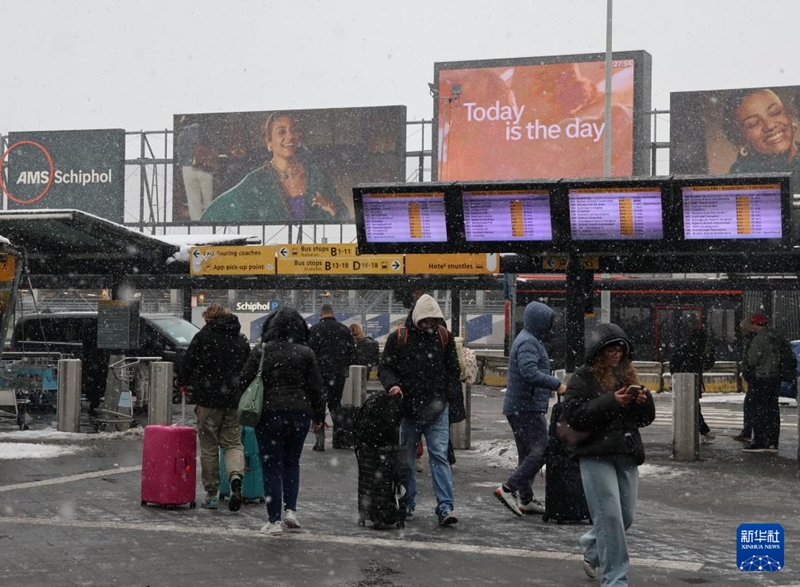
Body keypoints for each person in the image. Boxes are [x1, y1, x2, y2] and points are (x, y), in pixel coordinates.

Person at [561, 323, 655, 586]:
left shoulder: (628, 376)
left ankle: (591, 548)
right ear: (598, 352)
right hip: (595, 453)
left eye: (620, 350)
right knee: (609, 516)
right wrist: (611, 402)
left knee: (624, 516)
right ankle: (615, 579)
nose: (616, 354)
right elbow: (574, 417)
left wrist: (643, 402)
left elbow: (646, 418)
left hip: (625, 451)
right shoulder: (582, 377)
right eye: (611, 349)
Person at [239, 306, 325, 535]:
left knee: (271, 466)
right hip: (299, 414)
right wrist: (318, 417)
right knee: (291, 463)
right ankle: (291, 512)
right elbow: (317, 389)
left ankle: (274, 520)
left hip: (268, 414)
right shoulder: (306, 353)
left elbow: (244, 380)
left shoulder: (262, 351)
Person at [379, 294, 464, 527]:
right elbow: (386, 368)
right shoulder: (400, 338)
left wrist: (445, 399)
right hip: (412, 409)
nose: (428, 326)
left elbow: (452, 372)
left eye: (433, 321)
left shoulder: (441, 337)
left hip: (432, 409)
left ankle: (444, 507)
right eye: (424, 321)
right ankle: (408, 503)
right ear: (416, 319)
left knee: (431, 457)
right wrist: (392, 385)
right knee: (423, 459)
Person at [200, 111, 349, 223]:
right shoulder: (256, 181)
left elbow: (344, 218)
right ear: (269, 142)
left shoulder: (317, 175)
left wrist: (333, 211)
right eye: (281, 132)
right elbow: (214, 215)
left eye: (294, 130)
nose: (290, 136)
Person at [494, 301, 565, 517]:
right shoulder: (529, 343)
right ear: (539, 321)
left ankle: (525, 499)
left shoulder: (529, 339)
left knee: (526, 454)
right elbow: (529, 373)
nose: (551, 327)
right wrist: (557, 384)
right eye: (548, 322)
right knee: (542, 450)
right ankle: (508, 489)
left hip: (521, 406)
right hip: (526, 407)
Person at [177, 303, 250, 511]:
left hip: (208, 400)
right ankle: (236, 476)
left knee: (209, 445)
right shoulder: (240, 339)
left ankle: (212, 493)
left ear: (208, 318)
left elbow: (187, 363)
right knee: (233, 443)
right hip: (234, 401)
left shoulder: (203, 337)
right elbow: (248, 368)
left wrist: (183, 380)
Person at [723, 88, 800, 184]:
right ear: (740, 138)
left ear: (788, 114)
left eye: (775, 112)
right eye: (753, 124)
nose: (770, 126)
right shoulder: (742, 177)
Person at [307, 304, 356, 451]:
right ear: (332, 313)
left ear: (321, 314)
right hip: (338, 374)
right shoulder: (343, 330)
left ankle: (320, 441)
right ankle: (339, 439)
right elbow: (352, 354)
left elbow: (309, 354)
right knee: (335, 405)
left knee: (319, 405)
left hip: (319, 374)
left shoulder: (314, 330)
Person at [741, 313, 784, 452]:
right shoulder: (775, 336)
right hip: (775, 378)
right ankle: (772, 442)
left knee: (758, 410)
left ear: (754, 324)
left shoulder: (760, 339)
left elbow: (752, 360)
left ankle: (759, 441)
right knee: (772, 410)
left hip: (762, 378)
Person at [670, 327, 716, 442]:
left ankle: (697, 431)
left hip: (683, 382)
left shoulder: (684, 350)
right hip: (692, 382)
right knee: (694, 408)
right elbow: (707, 364)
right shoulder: (698, 352)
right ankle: (702, 431)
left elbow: (673, 365)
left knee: (689, 408)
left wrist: (677, 377)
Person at [175, 118, 218, 221]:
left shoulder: (182, 134)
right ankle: (209, 220)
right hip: (204, 167)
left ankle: (196, 221)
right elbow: (217, 144)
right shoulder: (205, 131)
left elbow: (179, 152)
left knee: (193, 199)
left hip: (187, 168)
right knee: (208, 198)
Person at [735, 316, 760, 441]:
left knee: (751, 406)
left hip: (756, 377)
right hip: (754, 377)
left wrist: (748, 371)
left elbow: (751, 359)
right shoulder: (753, 340)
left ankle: (749, 432)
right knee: (752, 405)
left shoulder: (754, 341)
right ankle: (749, 431)